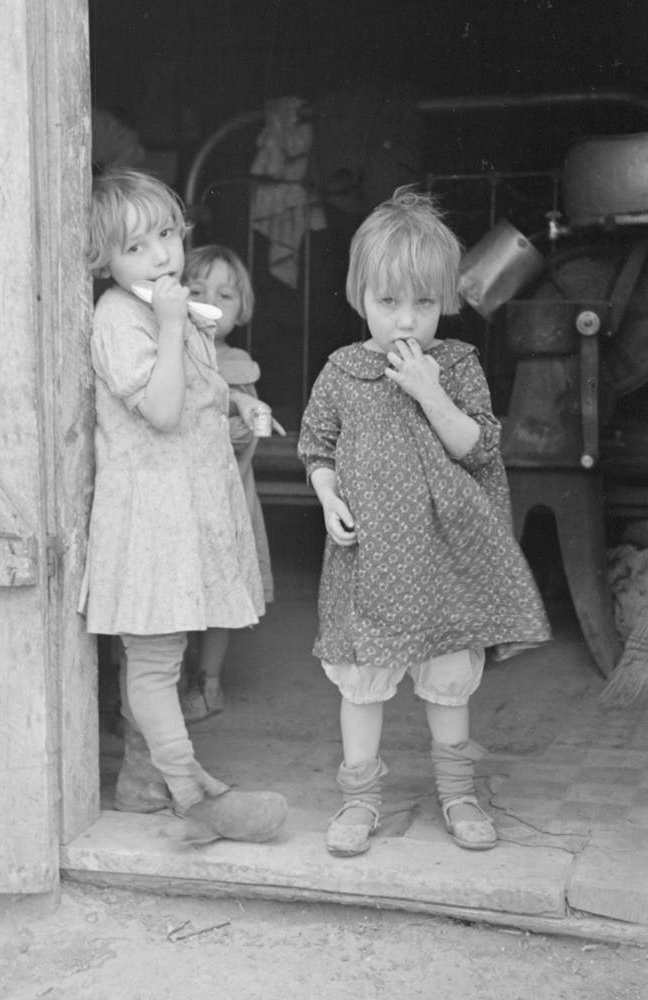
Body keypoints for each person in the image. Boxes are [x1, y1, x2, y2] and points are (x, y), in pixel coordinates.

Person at [297, 186, 551, 857]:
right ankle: (359, 802)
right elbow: (316, 447)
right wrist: (328, 495)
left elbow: (479, 448)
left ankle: (459, 793)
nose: (407, 322)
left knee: (446, 683)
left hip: (442, 563)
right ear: (360, 299)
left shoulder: (458, 365)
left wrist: (428, 389)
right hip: (370, 565)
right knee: (363, 682)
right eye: (389, 303)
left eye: (425, 303)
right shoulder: (342, 373)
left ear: (447, 301)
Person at [78, 168, 287, 843]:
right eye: (136, 247)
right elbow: (163, 410)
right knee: (154, 663)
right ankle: (189, 790)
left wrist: (239, 399)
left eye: (166, 234)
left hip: (183, 508)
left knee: (162, 657)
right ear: (102, 259)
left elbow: (197, 387)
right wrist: (170, 327)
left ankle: (146, 784)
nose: (162, 254)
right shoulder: (119, 318)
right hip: (150, 517)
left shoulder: (169, 307)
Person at [180, 244, 275, 722]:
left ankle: (208, 683)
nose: (210, 303)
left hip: (224, 501)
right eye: (196, 291)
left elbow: (241, 435)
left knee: (218, 594)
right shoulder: (165, 350)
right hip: (179, 503)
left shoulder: (236, 365)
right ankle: (169, 683)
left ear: (243, 310)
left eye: (225, 295)